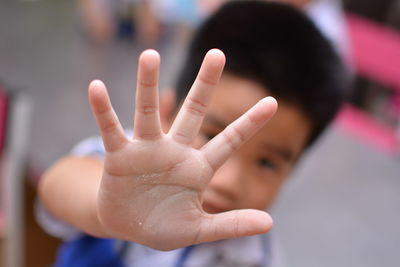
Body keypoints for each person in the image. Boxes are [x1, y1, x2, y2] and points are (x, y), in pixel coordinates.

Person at [37, 1, 347, 266]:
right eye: (211, 136)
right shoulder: (128, 168)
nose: (228, 181)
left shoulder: (253, 254)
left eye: (266, 163)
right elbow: (59, 184)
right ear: (169, 111)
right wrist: (109, 211)